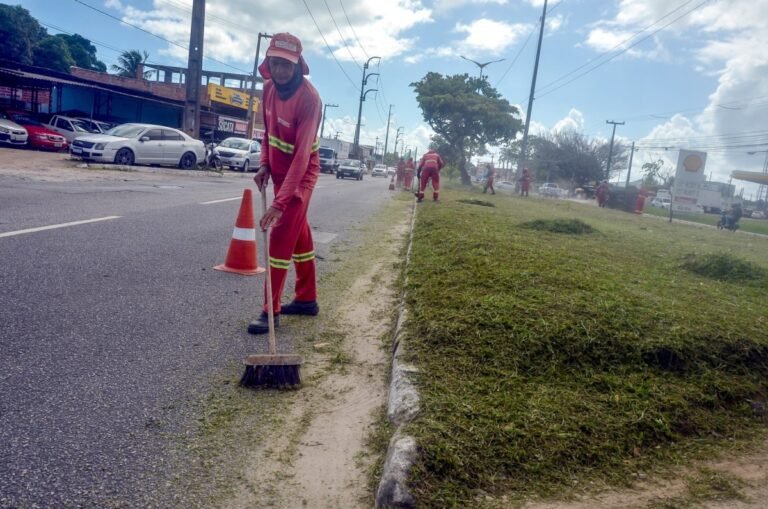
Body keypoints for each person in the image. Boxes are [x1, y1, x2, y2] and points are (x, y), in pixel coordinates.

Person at [248, 33, 322, 335]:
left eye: (286, 65)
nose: (280, 70)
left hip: (300, 175)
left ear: (298, 65)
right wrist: (264, 163)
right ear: (268, 62)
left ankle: (271, 311)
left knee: (279, 236)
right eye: (275, 63)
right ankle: (306, 299)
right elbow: (267, 134)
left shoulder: (309, 99)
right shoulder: (267, 89)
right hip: (279, 171)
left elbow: (302, 156)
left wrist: (280, 203)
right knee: (299, 236)